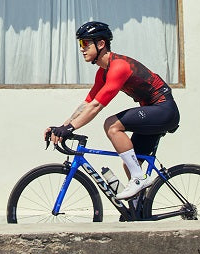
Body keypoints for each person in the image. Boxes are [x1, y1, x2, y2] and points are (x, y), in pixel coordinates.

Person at [44, 20, 179, 200]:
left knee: (112, 125)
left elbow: (97, 106)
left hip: (164, 110)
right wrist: (63, 126)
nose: (81, 48)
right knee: (131, 163)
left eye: (85, 43)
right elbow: (88, 102)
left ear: (101, 44)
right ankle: (139, 210)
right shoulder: (103, 72)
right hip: (153, 111)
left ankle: (139, 180)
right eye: (80, 44)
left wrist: (70, 129)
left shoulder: (119, 67)